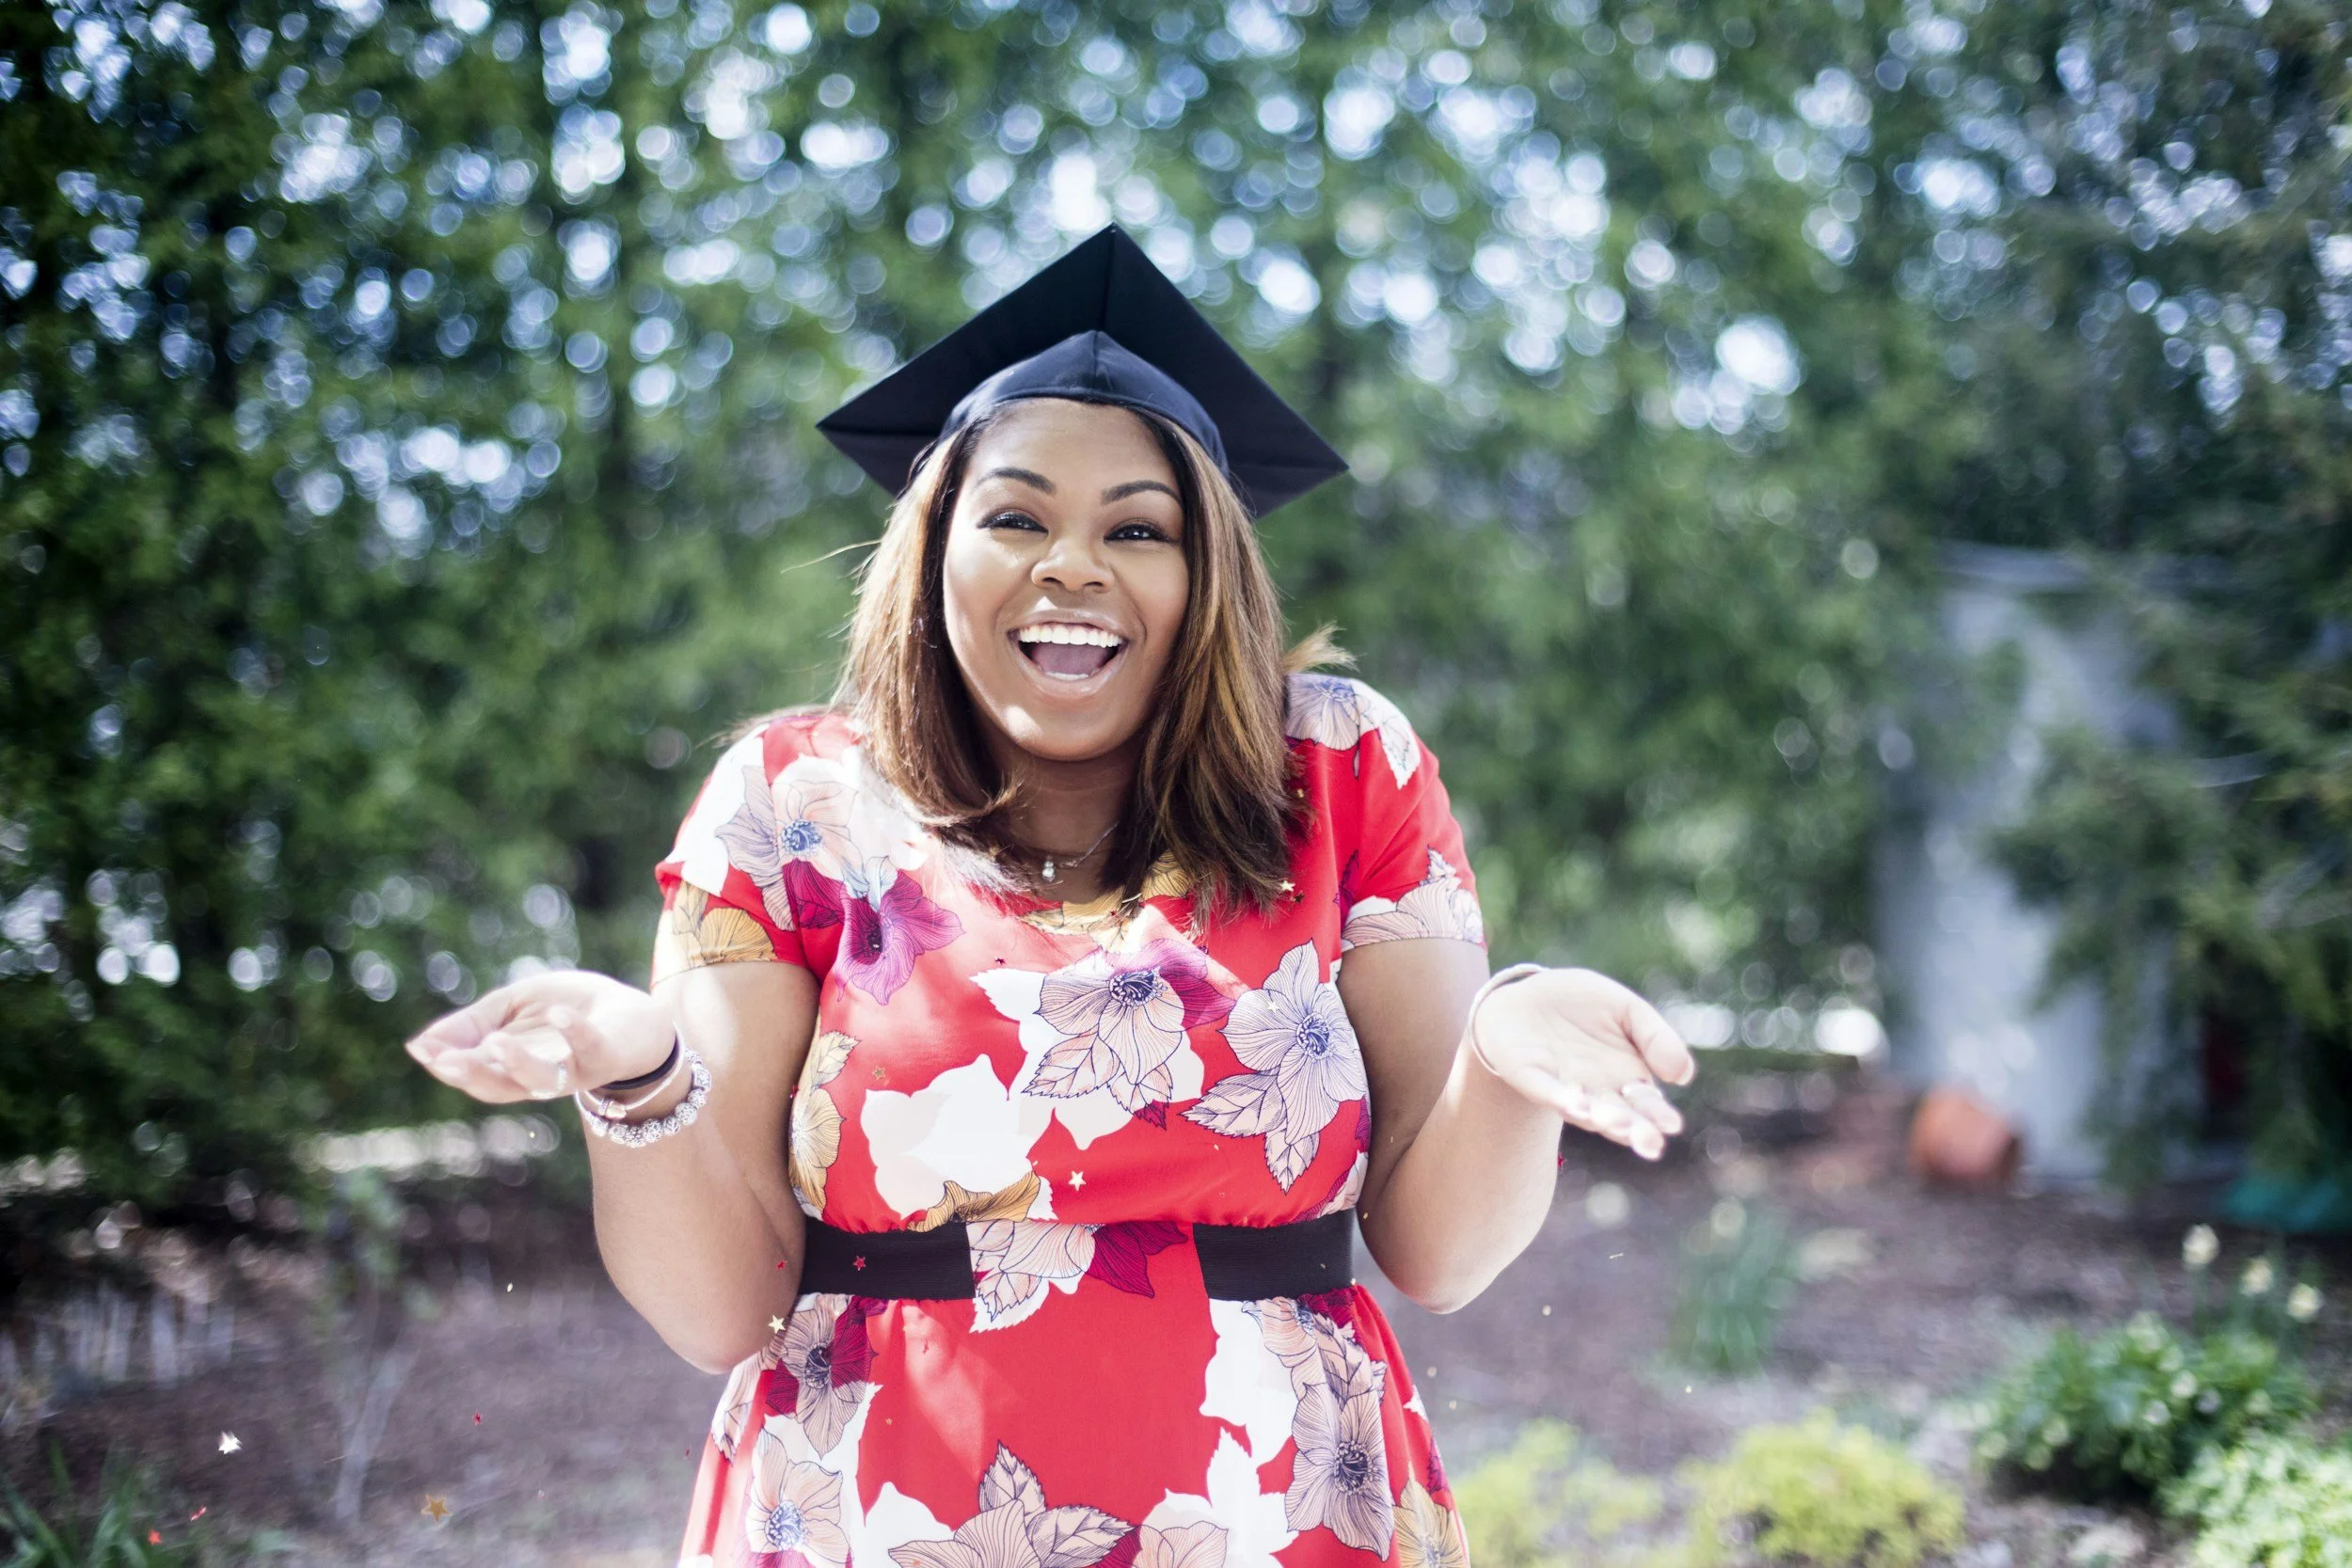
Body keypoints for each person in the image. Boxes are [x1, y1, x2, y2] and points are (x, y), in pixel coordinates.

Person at [404, 226, 1694, 1568]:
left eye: (1138, 527)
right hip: (876, 1515)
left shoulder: (1342, 769)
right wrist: (637, 1070)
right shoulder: (789, 807)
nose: (1072, 563)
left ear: (1209, 579)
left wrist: (1505, 1052)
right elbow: (717, 1304)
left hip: (1278, 1514)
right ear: (931, 550)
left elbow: (1440, 1251)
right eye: (1016, 515)